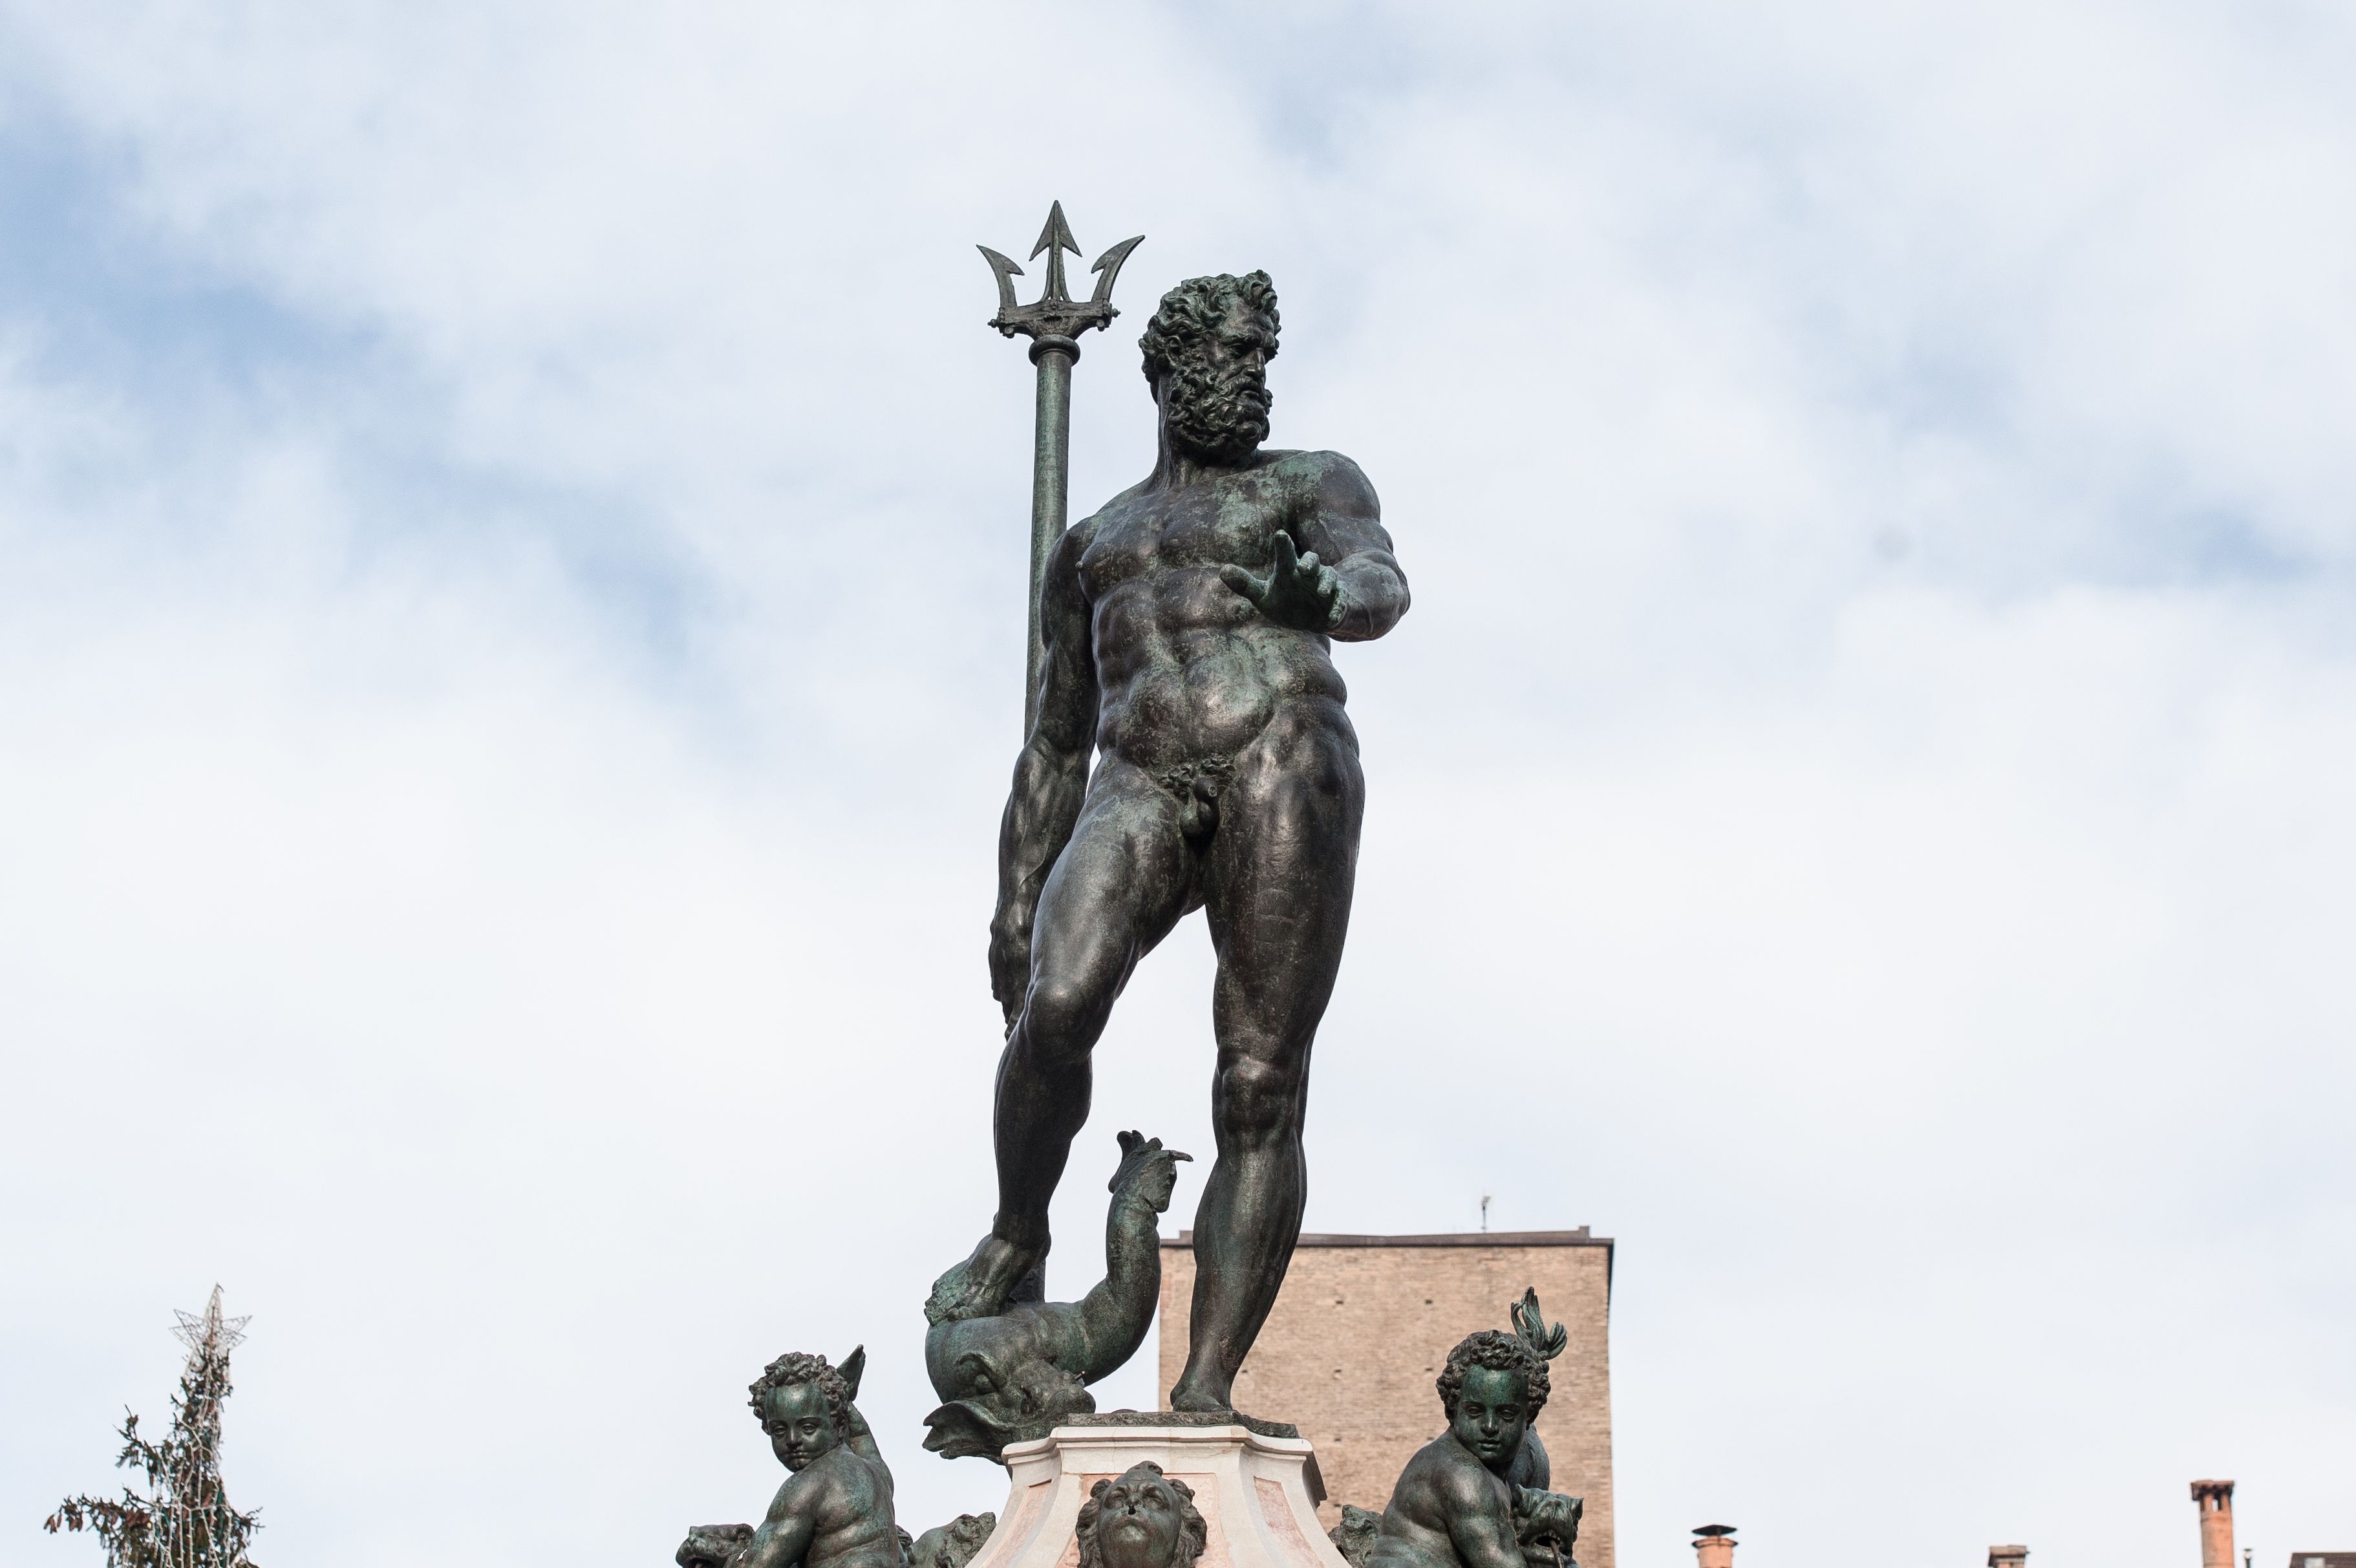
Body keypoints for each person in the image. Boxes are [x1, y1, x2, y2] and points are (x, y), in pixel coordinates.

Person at [933, 268, 1411, 1415]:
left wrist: (1321, 593)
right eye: (1228, 357)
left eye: (1260, 359)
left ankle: (1204, 1384)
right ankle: (1016, 1226)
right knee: (1055, 1002)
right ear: (1165, 371)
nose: (1249, 379)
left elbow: (1379, 583)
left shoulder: (1309, 481)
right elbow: (1052, 744)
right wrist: (1012, 899)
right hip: (1136, 773)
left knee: (1256, 1079)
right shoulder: (1094, 542)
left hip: (1281, 750)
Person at [1364, 1333, 1583, 1568]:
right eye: (1475, 1412)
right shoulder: (1462, 1476)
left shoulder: (1492, 1472)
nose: (1489, 1427)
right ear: (1453, 1410)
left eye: (1506, 1415)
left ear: (1528, 1417)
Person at [677, 1350, 903, 1568]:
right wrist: (842, 1399)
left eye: (808, 1427)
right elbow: (862, 1436)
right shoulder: (877, 1474)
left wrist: (710, 1549)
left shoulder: (808, 1485)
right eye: (779, 1430)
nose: (793, 1440)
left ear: (839, 1426)